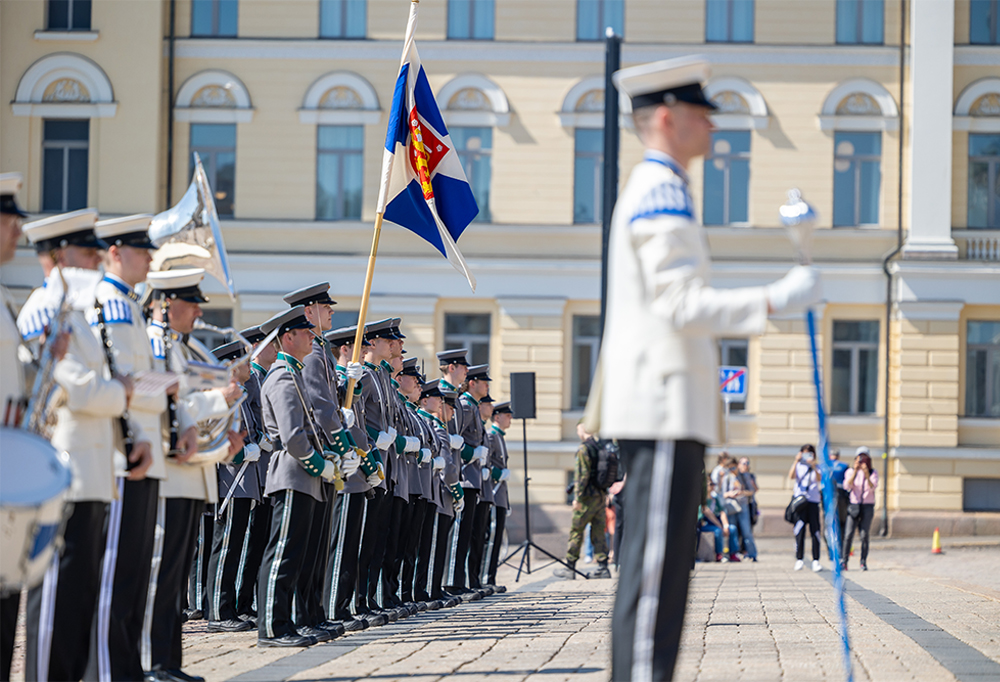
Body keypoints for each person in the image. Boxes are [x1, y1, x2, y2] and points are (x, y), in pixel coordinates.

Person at [591, 56, 822, 681]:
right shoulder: (661, 188)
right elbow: (679, 302)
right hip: (664, 407)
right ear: (666, 117)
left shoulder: (667, 186)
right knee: (654, 576)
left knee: (663, 575)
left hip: (670, 408)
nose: (714, 130)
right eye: (702, 116)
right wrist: (775, 298)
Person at [89, 214, 186, 682]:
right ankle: (111, 668)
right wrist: (176, 383)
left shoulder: (126, 304)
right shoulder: (111, 305)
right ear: (114, 254)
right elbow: (126, 383)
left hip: (142, 447)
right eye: (140, 250)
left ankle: (125, 667)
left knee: (132, 574)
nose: (149, 258)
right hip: (123, 452)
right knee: (121, 574)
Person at [143, 268, 242, 682]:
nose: (199, 311)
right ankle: (152, 662)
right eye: (191, 302)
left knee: (177, 576)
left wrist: (224, 442)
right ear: (166, 304)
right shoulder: (154, 344)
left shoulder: (185, 348)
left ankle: (169, 662)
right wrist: (216, 400)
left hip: (193, 470)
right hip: (169, 472)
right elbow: (162, 404)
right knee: (159, 572)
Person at [255, 306, 339, 647]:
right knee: (284, 553)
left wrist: (328, 456)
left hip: (304, 475)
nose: (311, 336)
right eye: (304, 332)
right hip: (292, 473)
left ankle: (291, 621)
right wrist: (319, 464)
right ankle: (272, 628)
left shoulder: (296, 374)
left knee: (301, 553)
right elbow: (292, 437)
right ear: (287, 338)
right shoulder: (282, 376)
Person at [554, 424, 611, 580]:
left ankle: (570, 567)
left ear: (582, 429)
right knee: (599, 531)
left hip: (586, 499)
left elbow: (581, 476)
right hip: (600, 496)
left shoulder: (583, 449)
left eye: (578, 428)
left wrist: (577, 499)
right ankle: (603, 567)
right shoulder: (600, 446)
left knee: (576, 532)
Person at [484, 401, 512, 589]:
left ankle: (491, 577)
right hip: (493, 493)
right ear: (497, 417)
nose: (510, 419)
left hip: (500, 495)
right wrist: (497, 474)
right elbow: (486, 462)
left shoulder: (500, 437)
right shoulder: (492, 437)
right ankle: (487, 577)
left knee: (497, 538)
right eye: (507, 416)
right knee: (491, 537)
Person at [842, 446, 878, 571]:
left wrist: (867, 474)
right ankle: (844, 561)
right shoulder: (850, 471)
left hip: (867, 506)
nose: (862, 461)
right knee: (848, 534)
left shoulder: (873, 472)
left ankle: (863, 561)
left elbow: (873, 487)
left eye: (864, 458)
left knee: (864, 535)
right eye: (860, 458)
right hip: (854, 505)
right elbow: (847, 486)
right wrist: (856, 471)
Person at [789, 444, 822, 572]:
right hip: (800, 502)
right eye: (804, 453)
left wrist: (813, 465)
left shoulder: (817, 467)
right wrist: (796, 460)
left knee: (815, 531)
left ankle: (816, 560)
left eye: (810, 453)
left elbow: (819, 479)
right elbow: (791, 476)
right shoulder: (798, 466)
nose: (807, 456)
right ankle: (799, 559)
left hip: (813, 501)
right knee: (799, 530)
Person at [720, 459, 751, 561]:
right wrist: (729, 494)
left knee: (746, 531)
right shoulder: (727, 478)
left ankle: (751, 554)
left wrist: (741, 492)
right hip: (731, 506)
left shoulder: (743, 476)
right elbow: (722, 494)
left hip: (742, 505)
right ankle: (730, 553)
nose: (732, 470)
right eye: (730, 468)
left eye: (734, 467)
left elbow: (752, 490)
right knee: (732, 529)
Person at [697, 479, 735, 562]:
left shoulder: (715, 498)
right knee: (718, 531)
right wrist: (720, 526)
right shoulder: (702, 500)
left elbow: (722, 512)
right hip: (706, 523)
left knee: (732, 529)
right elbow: (708, 514)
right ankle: (719, 554)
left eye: (713, 484)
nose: (712, 486)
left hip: (716, 522)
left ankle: (732, 554)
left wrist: (725, 526)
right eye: (710, 484)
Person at [828, 448, 849, 552]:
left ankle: (831, 549)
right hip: (841, 495)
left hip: (828, 495)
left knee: (829, 522)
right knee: (842, 522)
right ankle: (840, 548)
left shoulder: (824, 465)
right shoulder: (844, 465)